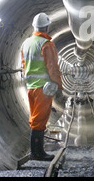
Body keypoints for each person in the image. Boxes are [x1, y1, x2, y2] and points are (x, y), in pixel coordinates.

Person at [21, 12, 63, 161]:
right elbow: (52, 67)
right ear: (46, 26)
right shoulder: (46, 44)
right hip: (43, 88)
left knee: (34, 118)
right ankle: (37, 153)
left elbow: (24, 65)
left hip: (31, 87)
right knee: (40, 120)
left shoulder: (26, 43)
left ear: (34, 26)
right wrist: (59, 85)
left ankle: (36, 151)